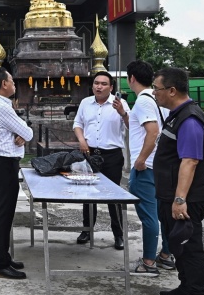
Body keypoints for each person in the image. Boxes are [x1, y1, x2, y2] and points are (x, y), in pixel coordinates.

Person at [152, 67, 204, 295]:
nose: (154, 93)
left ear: (172, 90)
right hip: (170, 194)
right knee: (178, 244)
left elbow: (190, 161)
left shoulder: (189, 119)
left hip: (187, 198)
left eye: (157, 89)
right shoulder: (177, 115)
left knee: (190, 247)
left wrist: (179, 200)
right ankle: (186, 286)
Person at [121, 60, 171, 277]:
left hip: (147, 167)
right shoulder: (158, 98)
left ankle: (149, 261)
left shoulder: (142, 101)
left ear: (131, 78)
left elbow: (152, 132)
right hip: (162, 166)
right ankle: (167, 256)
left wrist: (140, 160)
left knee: (149, 216)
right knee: (164, 213)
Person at [0, 67, 33, 280]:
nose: (13, 84)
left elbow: (22, 131)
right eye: (11, 80)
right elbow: (28, 132)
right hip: (3, 163)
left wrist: (19, 132)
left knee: (5, 212)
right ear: (4, 83)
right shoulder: (1, 107)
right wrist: (22, 132)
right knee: (3, 213)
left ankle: (4, 256)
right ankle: (0, 263)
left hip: (2, 161)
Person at [73, 71, 129, 249]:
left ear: (111, 87)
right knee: (88, 194)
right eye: (96, 83)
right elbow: (77, 124)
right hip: (90, 154)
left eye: (104, 84)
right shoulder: (85, 103)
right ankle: (87, 230)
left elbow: (131, 126)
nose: (99, 86)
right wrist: (82, 140)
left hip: (112, 155)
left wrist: (122, 113)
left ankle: (118, 234)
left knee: (113, 195)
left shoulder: (120, 104)